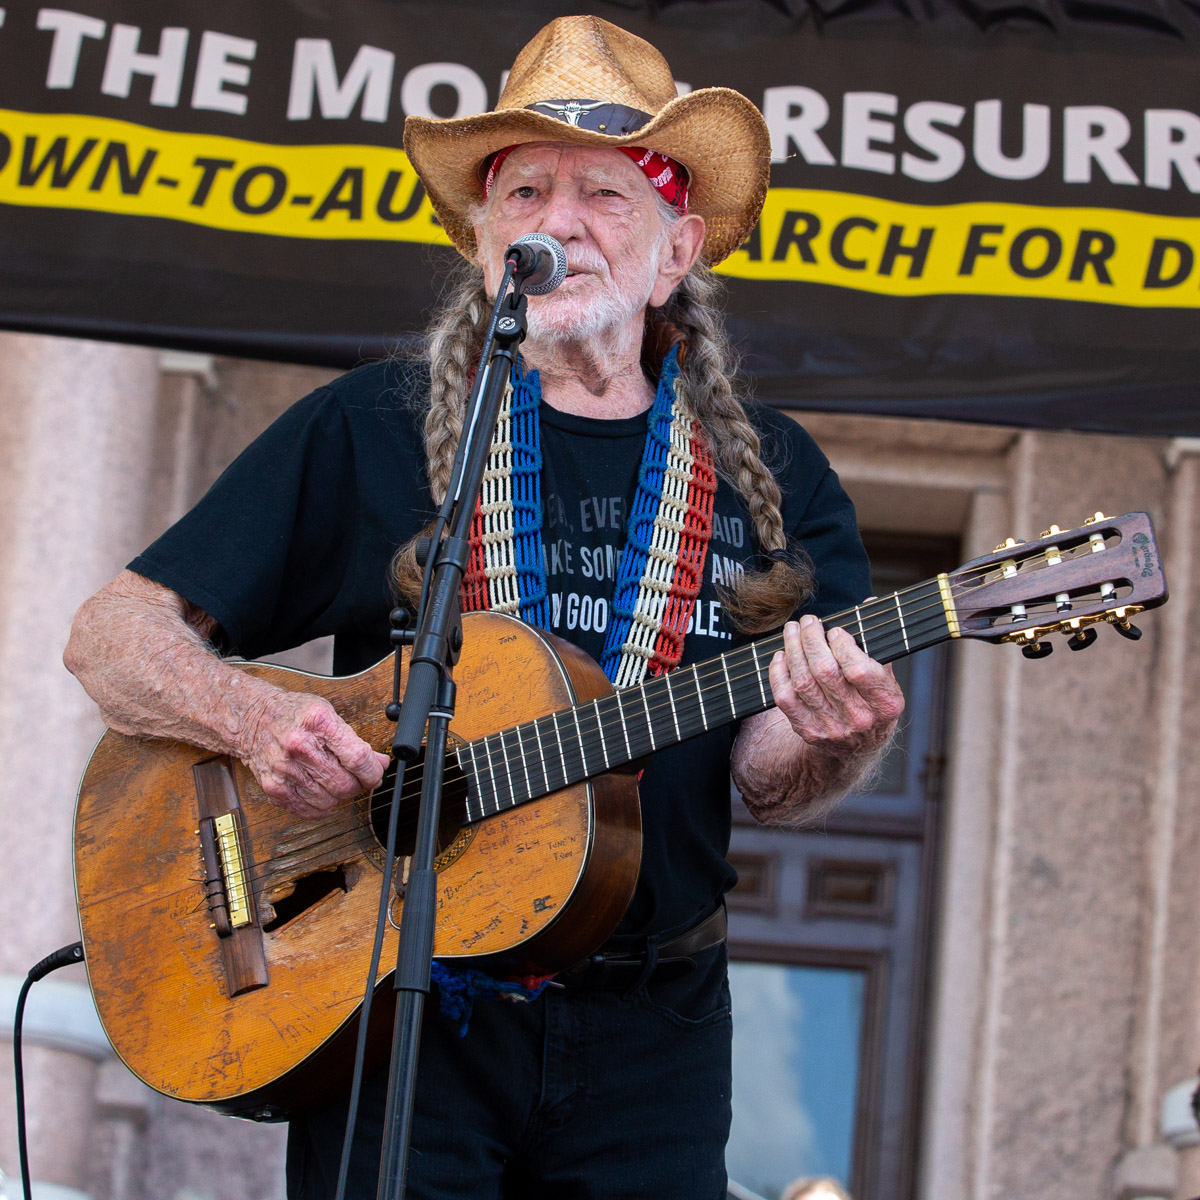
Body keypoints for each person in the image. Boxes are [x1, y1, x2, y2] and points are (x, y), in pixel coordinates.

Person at [64, 15, 904, 1200]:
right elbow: (110, 638)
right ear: (485, 236)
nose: (559, 221)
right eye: (526, 191)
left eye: (604, 192)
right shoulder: (371, 425)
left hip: (651, 1026)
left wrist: (838, 736)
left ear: (676, 250)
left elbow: (768, 780)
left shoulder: (775, 472)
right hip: (405, 1004)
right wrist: (252, 722)